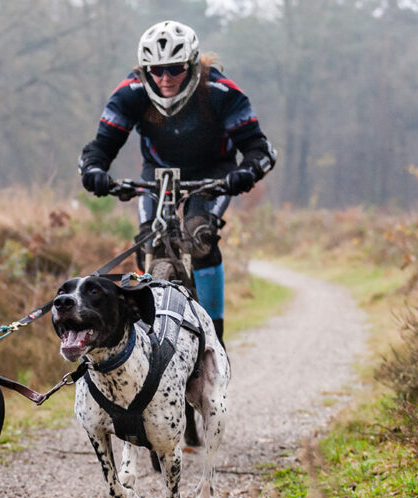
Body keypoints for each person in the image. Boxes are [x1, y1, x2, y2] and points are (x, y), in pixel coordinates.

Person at [79, 20, 276, 344]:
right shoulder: (131, 92)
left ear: (194, 64)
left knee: (200, 236)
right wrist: (94, 171)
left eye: (175, 68)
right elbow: (100, 147)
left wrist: (246, 172)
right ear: (144, 69)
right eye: (155, 70)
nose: (165, 78)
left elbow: (259, 148)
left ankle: (215, 337)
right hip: (157, 171)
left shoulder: (221, 92)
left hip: (213, 171)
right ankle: (147, 337)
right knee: (147, 241)